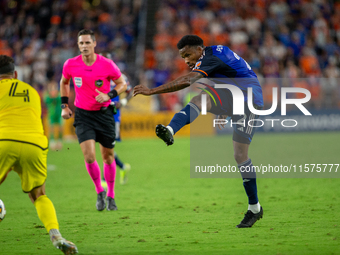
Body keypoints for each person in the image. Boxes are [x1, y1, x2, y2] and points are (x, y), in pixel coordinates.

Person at [134, 35, 264, 228]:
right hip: (234, 95)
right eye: (183, 57)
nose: (186, 60)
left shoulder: (209, 58)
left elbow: (187, 81)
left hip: (249, 101)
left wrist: (152, 91)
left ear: (199, 49)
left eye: (188, 54)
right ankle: (170, 130)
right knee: (198, 100)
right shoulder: (214, 54)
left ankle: (254, 208)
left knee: (240, 155)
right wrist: (224, 110)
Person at [0, 55, 78, 254]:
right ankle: (56, 235)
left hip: (3, 141)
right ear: (15, 74)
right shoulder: (32, 91)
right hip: (34, 144)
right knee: (39, 195)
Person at [60, 29, 127, 211]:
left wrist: (109, 95)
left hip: (104, 115)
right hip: (83, 115)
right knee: (89, 157)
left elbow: (123, 84)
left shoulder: (107, 64)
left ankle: (111, 195)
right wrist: (64, 106)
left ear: (94, 44)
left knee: (108, 156)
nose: (84, 46)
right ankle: (99, 191)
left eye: (87, 43)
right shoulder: (71, 64)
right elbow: (64, 82)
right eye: (81, 43)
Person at [100, 53, 132, 186]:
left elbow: (130, 91)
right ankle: (122, 167)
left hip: (113, 115)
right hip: (99, 114)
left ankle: (104, 179)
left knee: (107, 146)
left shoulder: (119, 75)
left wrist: (123, 102)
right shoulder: (96, 75)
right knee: (105, 147)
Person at [44, 80, 63, 150]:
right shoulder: (48, 97)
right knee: (51, 128)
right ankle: (52, 142)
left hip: (59, 114)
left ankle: (59, 142)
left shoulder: (59, 96)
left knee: (60, 128)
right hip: (51, 114)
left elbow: (61, 99)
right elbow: (46, 100)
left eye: (54, 88)